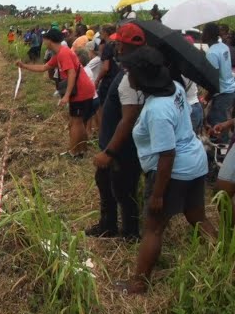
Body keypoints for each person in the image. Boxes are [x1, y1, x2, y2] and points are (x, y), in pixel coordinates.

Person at [115, 46, 218, 295]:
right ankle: (224, 257)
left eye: (129, 72)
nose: (126, 76)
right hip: (195, 163)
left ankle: (139, 284)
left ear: (141, 78)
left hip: (174, 171)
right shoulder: (175, 88)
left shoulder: (158, 110)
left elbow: (167, 155)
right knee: (197, 217)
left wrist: (158, 194)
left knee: (153, 227)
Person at [85, 23, 146, 241]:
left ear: (124, 45)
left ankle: (130, 234)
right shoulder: (128, 71)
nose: (116, 45)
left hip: (120, 149)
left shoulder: (131, 79)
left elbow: (128, 119)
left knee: (124, 191)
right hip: (113, 144)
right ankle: (108, 225)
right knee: (105, 182)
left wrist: (109, 152)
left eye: (119, 42)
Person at [17, 28, 96, 157]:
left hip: (81, 91)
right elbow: (44, 67)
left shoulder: (63, 54)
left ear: (50, 40)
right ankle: (81, 150)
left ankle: (74, 152)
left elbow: (71, 73)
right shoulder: (59, 54)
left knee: (76, 122)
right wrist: (24, 66)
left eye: (45, 38)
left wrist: (66, 95)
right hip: (82, 90)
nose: (44, 41)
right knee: (77, 122)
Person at [204, 22, 235, 143]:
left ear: (207, 35)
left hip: (222, 94)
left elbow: (214, 80)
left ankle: (222, 156)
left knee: (218, 126)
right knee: (225, 122)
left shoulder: (212, 52)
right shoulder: (223, 46)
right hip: (230, 89)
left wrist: (206, 98)